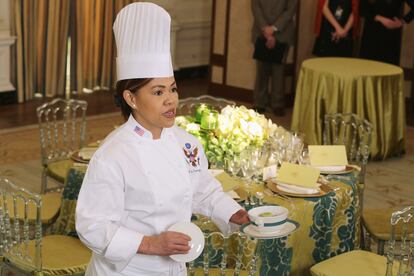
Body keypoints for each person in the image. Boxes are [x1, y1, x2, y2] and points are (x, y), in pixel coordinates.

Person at [75, 3, 249, 276]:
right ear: (131, 98)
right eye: (157, 92)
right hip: (125, 271)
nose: (171, 100)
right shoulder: (113, 155)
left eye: (173, 88)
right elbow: (92, 226)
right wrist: (151, 244)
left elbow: (201, 187)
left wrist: (232, 213)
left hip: (173, 267)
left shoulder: (186, 142)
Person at [251, 0, 298, 117]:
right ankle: (259, 102)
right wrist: (265, 30)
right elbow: (256, 7)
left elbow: (290, 10)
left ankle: (277, 104)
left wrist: (274, 28)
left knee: (279, 70)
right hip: (261, 32)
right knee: (261, 69)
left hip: (283, 33)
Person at [360, 0, 414, 65]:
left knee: (389, 64)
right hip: (371, 34)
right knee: (368, 65)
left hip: (391, 34)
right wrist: (380, 18)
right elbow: (362, 9)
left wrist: (401, 22)